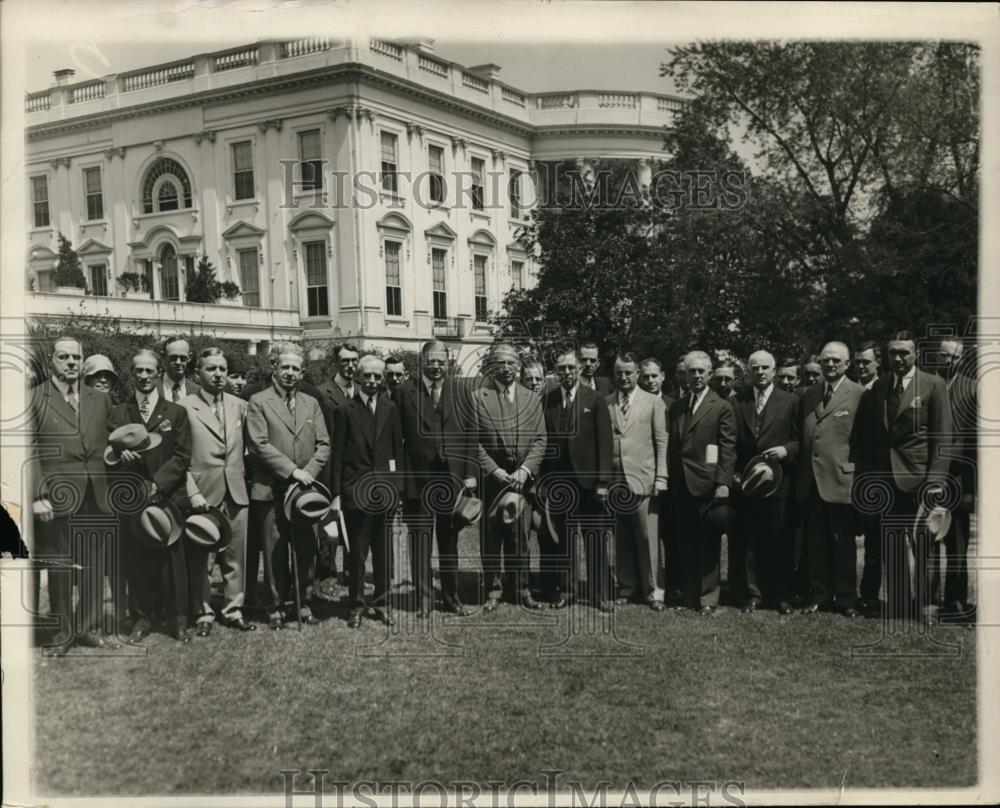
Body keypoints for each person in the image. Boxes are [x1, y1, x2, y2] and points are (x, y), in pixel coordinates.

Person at [855, 331, 952, 621]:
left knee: (924, 543)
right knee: (892, 541)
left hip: (919, 478)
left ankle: (926, 604)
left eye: (904, 353)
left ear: (916, 355)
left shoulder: (934, 385)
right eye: (893, 352)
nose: (898, 358)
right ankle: (898, 602)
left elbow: (942, 437)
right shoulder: (880, 387)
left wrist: (935, 481)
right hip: (886, 478)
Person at [29, 337, 115, 653]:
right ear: (51, 360)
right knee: (60, 566)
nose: (71, 362)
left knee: (94, 564)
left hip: (96, 492)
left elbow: (109, 443)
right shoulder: (35, 397)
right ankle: (63, 633)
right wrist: (39, 494)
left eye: (76, 357)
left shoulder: (99, 399)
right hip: (57, 496)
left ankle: (87, 627)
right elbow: (29, 452)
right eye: (63, 356)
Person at [107, 349, 193, 642]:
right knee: (137, 560)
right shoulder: (119, 413)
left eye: (149, 371)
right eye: (138, 371)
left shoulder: (176, 413)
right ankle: (142, 618)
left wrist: (157, 484)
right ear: (132, 375)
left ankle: (178, 618)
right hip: (133, 498)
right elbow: (108, 455)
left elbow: (182, 456)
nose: (144, 376)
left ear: (159, 374)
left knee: (173, 562)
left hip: (168, 497)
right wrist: (121, 457)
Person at [246, 343, 331, 629]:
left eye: (296, 368)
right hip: (271, 488)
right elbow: (258, 445)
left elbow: (324, 444)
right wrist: (293, 471)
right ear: (274, 368)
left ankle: (303, 602)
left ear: (302, 371)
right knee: (275, 550)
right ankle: (275, 605)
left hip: (305, 492)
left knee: (305, 548)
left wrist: (308, 473)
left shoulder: (311, 402)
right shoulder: (258, 401)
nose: (290, 373)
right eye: (285, 367)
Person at [395, 341, 476, 617]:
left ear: (448, 361)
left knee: (449, 539)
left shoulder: (462, 390)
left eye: (441, 361)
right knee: (420, 540)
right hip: (418, 479)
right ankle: (425, 599)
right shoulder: (405, 392)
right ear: (423, 361)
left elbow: (470, 435)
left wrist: (470, 475)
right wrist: (401, 482)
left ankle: (451, 596)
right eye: (431, 361)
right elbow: (398, 440)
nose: (436, 366)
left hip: (451, 478)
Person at [181, 348, 255, 635]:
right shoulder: (185, 407)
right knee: (202, 558)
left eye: (223, 368)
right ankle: (202, 612)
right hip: (202, 493)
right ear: (197, 373)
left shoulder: (240, 405)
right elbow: (179, 457)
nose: (219, 374)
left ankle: (233, 609)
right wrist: (192, 492)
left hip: (236, 490)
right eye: (211, 369)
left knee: (236, 556)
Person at [331, 355, 405, 627]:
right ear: (358, 377)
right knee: (357, 555)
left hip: (385, 495)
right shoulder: (344, 411)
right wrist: (337, 494)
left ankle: (383, 602)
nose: (372, 381)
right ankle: (357, 604)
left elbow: (397, 451)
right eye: (368, 376)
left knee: (384, 555)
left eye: (377, 376)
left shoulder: (390, 408)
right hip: (355, 494)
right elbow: (337, 455)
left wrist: (397, 489)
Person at [538, 348, 614, 610]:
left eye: (571, 368)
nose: (567, 373)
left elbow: (605, 442)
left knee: (594, 539)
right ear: (555, 371)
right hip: (561, 485)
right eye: (562, 369)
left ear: (579, 368)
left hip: (590, 484)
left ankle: (599, 594)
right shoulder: (547, 401)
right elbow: (544, 443)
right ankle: (568, 592)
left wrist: (603, 482)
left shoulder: (595, 399)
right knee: (566, 542)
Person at [472, 343, 546, 611]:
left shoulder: (531, 398)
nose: (506, 368)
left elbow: (540, 439)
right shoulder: (478, 397)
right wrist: (493, 470)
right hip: (492, 481)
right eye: (500, 363)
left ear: (519, 367)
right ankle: (493, 590)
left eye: (511, 363)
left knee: (520, 538)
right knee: (491, 538)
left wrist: (524, 472)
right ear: (491, 365)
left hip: (521, 481)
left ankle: (522, 588)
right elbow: (473, 441)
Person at [796, 341, 864, 618]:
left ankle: (847, 598)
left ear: (847, 364)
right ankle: (820, 595)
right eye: (826, 360)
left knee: (842, 543)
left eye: (836, 360)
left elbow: (863, 440)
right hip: (811, 481)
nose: (830, 365)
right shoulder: (809, 394)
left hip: (841, 481)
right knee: (816, 543)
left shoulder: (859, 394)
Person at [729, 350, 799, 614]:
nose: (759, 372)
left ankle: (780, 594)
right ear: (748, 371)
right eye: (754, 368)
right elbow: (731, 442)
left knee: (779, 540)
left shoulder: (791, 401)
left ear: (773, 370)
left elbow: (800, 439)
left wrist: (786, 451)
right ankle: (754, 593)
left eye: (764, 368)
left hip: (779, 482)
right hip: (748, 483)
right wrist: (736, 477)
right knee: (750, 540)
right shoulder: (738, 402)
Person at [667, 350, 737, 615]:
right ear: (684, 375)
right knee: (685, 543)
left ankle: (708, 599)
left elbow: (727, 448)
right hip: (680, 485)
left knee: (707, 544)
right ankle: (689, 594)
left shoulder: (721, 406)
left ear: (709, 374)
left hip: (706, 484)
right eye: (690, 371)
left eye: (700, 371)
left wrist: (723, 482)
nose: (695, 376)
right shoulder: (677, 406)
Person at [608, 352, 668, 610]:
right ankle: (626, 587)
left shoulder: (653, 402)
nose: (624, 377)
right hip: (616, 481)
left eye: (628, 372)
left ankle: (654, 591)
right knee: (621, 538)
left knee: (647, 538)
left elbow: (661, 441)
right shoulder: (607, 402)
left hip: (644, 477)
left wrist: (661, 477)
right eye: (619, 372)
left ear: (637, 374)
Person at [937, 338, 976, 622]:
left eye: (953, 356)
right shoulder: (927, 385)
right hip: (927, 477)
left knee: (957, 545)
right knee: (926, 542)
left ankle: (956, 599)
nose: (947, 360)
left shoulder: (972, 389)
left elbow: (976, 442)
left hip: (958, 478)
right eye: (943, 355)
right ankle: (925, 599)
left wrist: (969, 490)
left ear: (961, 359)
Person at [853, 339, 883, 611]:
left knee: (875, 542)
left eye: (866, 362)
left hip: (877, 477)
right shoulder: (850, 391)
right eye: (858, 362)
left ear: (878, 363)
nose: (861, 366)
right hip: (849, 473)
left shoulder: (883, 391)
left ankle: (870, 594)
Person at [157, 336, 201, 402]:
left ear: (189, 357)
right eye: (173, 358)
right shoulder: (151, 389)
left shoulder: (198, 392)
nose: (178, 362)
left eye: (183, 358)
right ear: (163, 357)